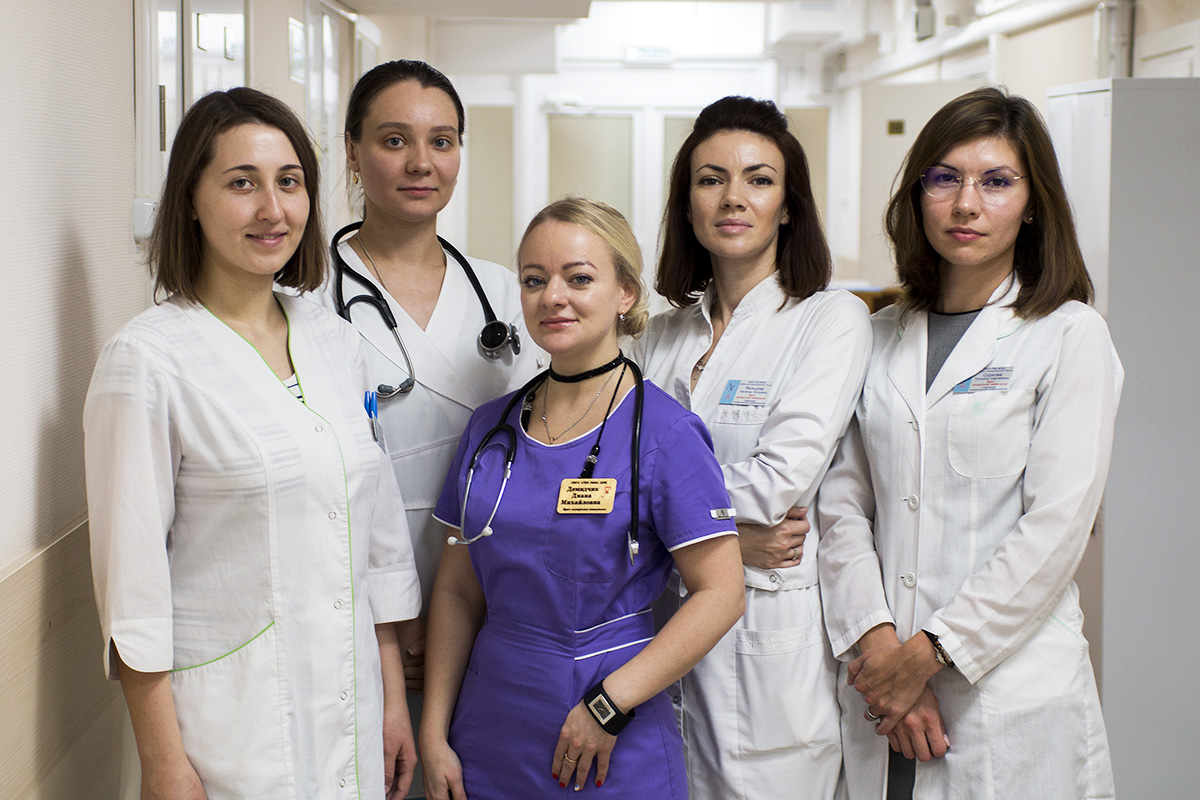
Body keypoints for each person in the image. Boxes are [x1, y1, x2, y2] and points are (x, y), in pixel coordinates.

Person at [84, 88, 421, 799]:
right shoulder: (146, 360)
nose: (273, 209)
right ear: (190, 201)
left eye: (289, 182)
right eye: (242, 183)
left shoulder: (334, 339)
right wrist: (163, 764)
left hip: (352, 712)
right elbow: (133, 592)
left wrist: (392, 701)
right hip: (230, 737)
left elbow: (377, 538)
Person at [817, 86, 1121, 799]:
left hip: (1002, 692)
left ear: (1033, 203)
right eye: (945, 178)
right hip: (882, 689)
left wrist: (929, 656)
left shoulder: (1068, 335)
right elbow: (841, 505)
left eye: (997, 181)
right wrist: (881, 648)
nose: (966, 204)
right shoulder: (877, 335)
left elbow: (1056, 529)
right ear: (918, 194)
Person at [419, 198, 746, 799]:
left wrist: (609, 704)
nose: (553, 297)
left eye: (579, 278)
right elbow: (458, 589)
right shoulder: (490, 428)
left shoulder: (664, 433)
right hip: (489, 725)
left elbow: (721, 594)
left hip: (607, 732)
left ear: (625, 293)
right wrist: (434, 732)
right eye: (534, 280)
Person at [635, 95, 871, 799]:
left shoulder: (831, 320)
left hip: (768, 656)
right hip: (660, 644)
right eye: (710, 179)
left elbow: (775, 485)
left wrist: (654, 513)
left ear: (788, 205)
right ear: (687, 204)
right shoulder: (661, 335)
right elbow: (604, 481)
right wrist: (729, 538)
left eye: (759, 179)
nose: (733, 198)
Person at [322, 63, 541, 759]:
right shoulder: (308, 301)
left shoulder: (506, 293)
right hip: (353, 612)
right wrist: (390, 623)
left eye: (441, 141)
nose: (421, 163)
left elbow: (546, 453)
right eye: (394, 140)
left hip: (492, 603)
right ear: (352, 150)